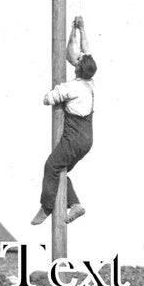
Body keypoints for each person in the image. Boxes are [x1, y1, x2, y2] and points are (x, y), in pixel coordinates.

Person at [31, 16, 97, 226]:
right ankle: (75, 204)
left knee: (52, 166)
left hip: (74, 138)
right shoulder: (90, 84)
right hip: (87, 140)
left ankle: (47, 207)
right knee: (61, 171)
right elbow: (84, 52)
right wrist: (79, 30)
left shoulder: (71, 87)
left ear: (78, 69)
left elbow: (48, 99)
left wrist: (55, 92)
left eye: (77, 62)